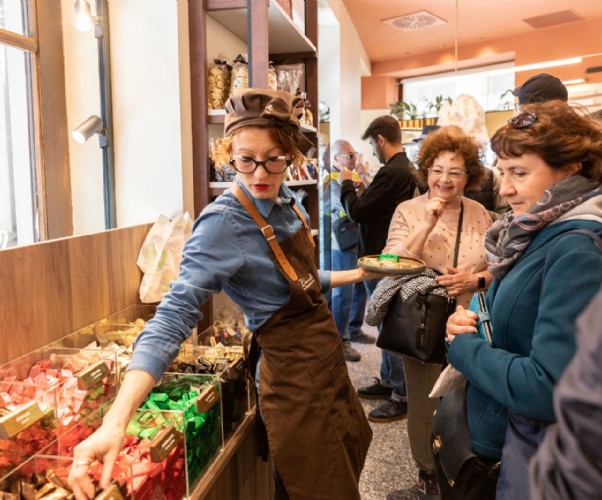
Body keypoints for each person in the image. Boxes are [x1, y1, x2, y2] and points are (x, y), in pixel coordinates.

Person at [68, 89, 384, 500]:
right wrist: (115, 420)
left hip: (327, 364)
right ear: (227, 154)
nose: (259, 173)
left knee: (347, 462)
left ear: (291, 155)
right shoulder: (222, 224)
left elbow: (301, 281)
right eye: (244, 159)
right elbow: (173, 316)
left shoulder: (289, 202)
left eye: (274, 158)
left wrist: (356, 273)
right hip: (293, 380)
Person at [445, 100, 602, 499]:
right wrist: (475, 322)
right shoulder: (542, 228)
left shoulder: (577, 249)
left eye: (519, 172)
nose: (507, 187)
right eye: (503, 172)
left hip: (532, 453)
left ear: (570, 171)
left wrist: (464, 349)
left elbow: (548, 388)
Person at [384, 129, 494, 497]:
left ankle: (460, 472)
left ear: (470, 177)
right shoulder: (408, 210)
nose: (444, 179)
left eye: (455, 172)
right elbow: (391, 264)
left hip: (470, 321)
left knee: (465, 398)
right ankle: (427, 477)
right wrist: (428, 222)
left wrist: (473, 279)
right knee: (424, 397)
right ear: (425, 171)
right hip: (423, 320)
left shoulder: (482, 214)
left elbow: (499, 267)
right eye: (437, 170)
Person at [528, 241, 602, 499]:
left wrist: (466, 349)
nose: (507, 196)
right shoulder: (522, 236)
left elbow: (543, 383)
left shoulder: (577, 250)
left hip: (526, 434)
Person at [337, 115, 417, 423]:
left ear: (381, 140)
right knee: (385, 324)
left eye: (372, 144)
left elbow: (357, 211)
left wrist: (346, 182)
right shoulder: (402, 171)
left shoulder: (393, 171)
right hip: (387, 256)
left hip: (382, 258)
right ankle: (388, 381)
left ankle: (401, 394)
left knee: (388, 326)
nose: (371, 151)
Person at [330, 139, 375, 362]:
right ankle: (341, 339)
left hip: (356, 238)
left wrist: (363, 180)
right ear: (336, 159)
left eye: (354, 154)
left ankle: (354, 328)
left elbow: (367, 205)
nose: (354, 159)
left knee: (360, 286)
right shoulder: (331, 179)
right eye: (349, 155)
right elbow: (349, 209)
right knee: (343, 291)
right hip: (340, 242)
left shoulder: (351, 177)